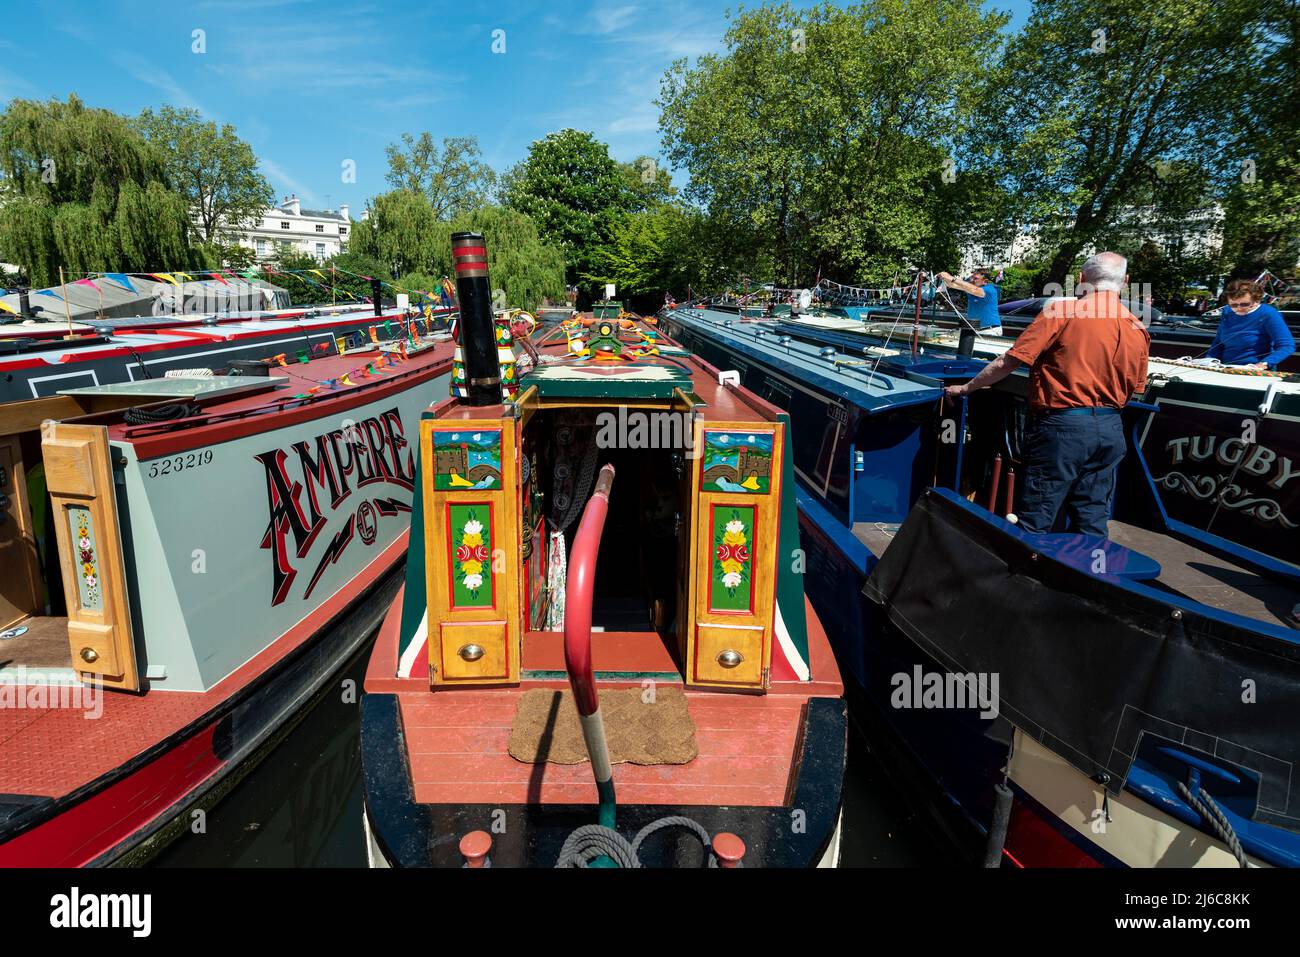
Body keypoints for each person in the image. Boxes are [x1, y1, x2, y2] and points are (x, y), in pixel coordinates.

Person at [943, 252, 1150, 536]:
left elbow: (1010, 361)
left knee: (1036, 516)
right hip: (1111, 429)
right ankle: (1084, 575)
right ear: (1125, 282)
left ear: (1081, 279)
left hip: (1063, 429)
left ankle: (1025, 573)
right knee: (1092, 518)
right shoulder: (1137, 327)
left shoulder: (1062, 313)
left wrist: (967, 387)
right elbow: (1136, 388)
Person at [1205, 279, 1295, 369]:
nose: (1239, 308)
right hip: (1225, 367)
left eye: (1244, 304)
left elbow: (1287, 346)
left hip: (1255, 369)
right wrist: (1209, 360)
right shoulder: (1227, 312)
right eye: (1233, 305)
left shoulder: (1268, 314)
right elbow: (1218, 343)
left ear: (1257, 300)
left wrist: (1263, 364)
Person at [938, 268, 1002, 336]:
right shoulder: (971, 289)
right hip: (975, 330)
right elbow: (952, 285)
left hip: (989, 330)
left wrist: (952, 278)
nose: (972, 280)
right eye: (972, 277)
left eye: (975, 278)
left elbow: (974, 290)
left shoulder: (989, 290)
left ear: (985, 281)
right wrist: (945, 278)